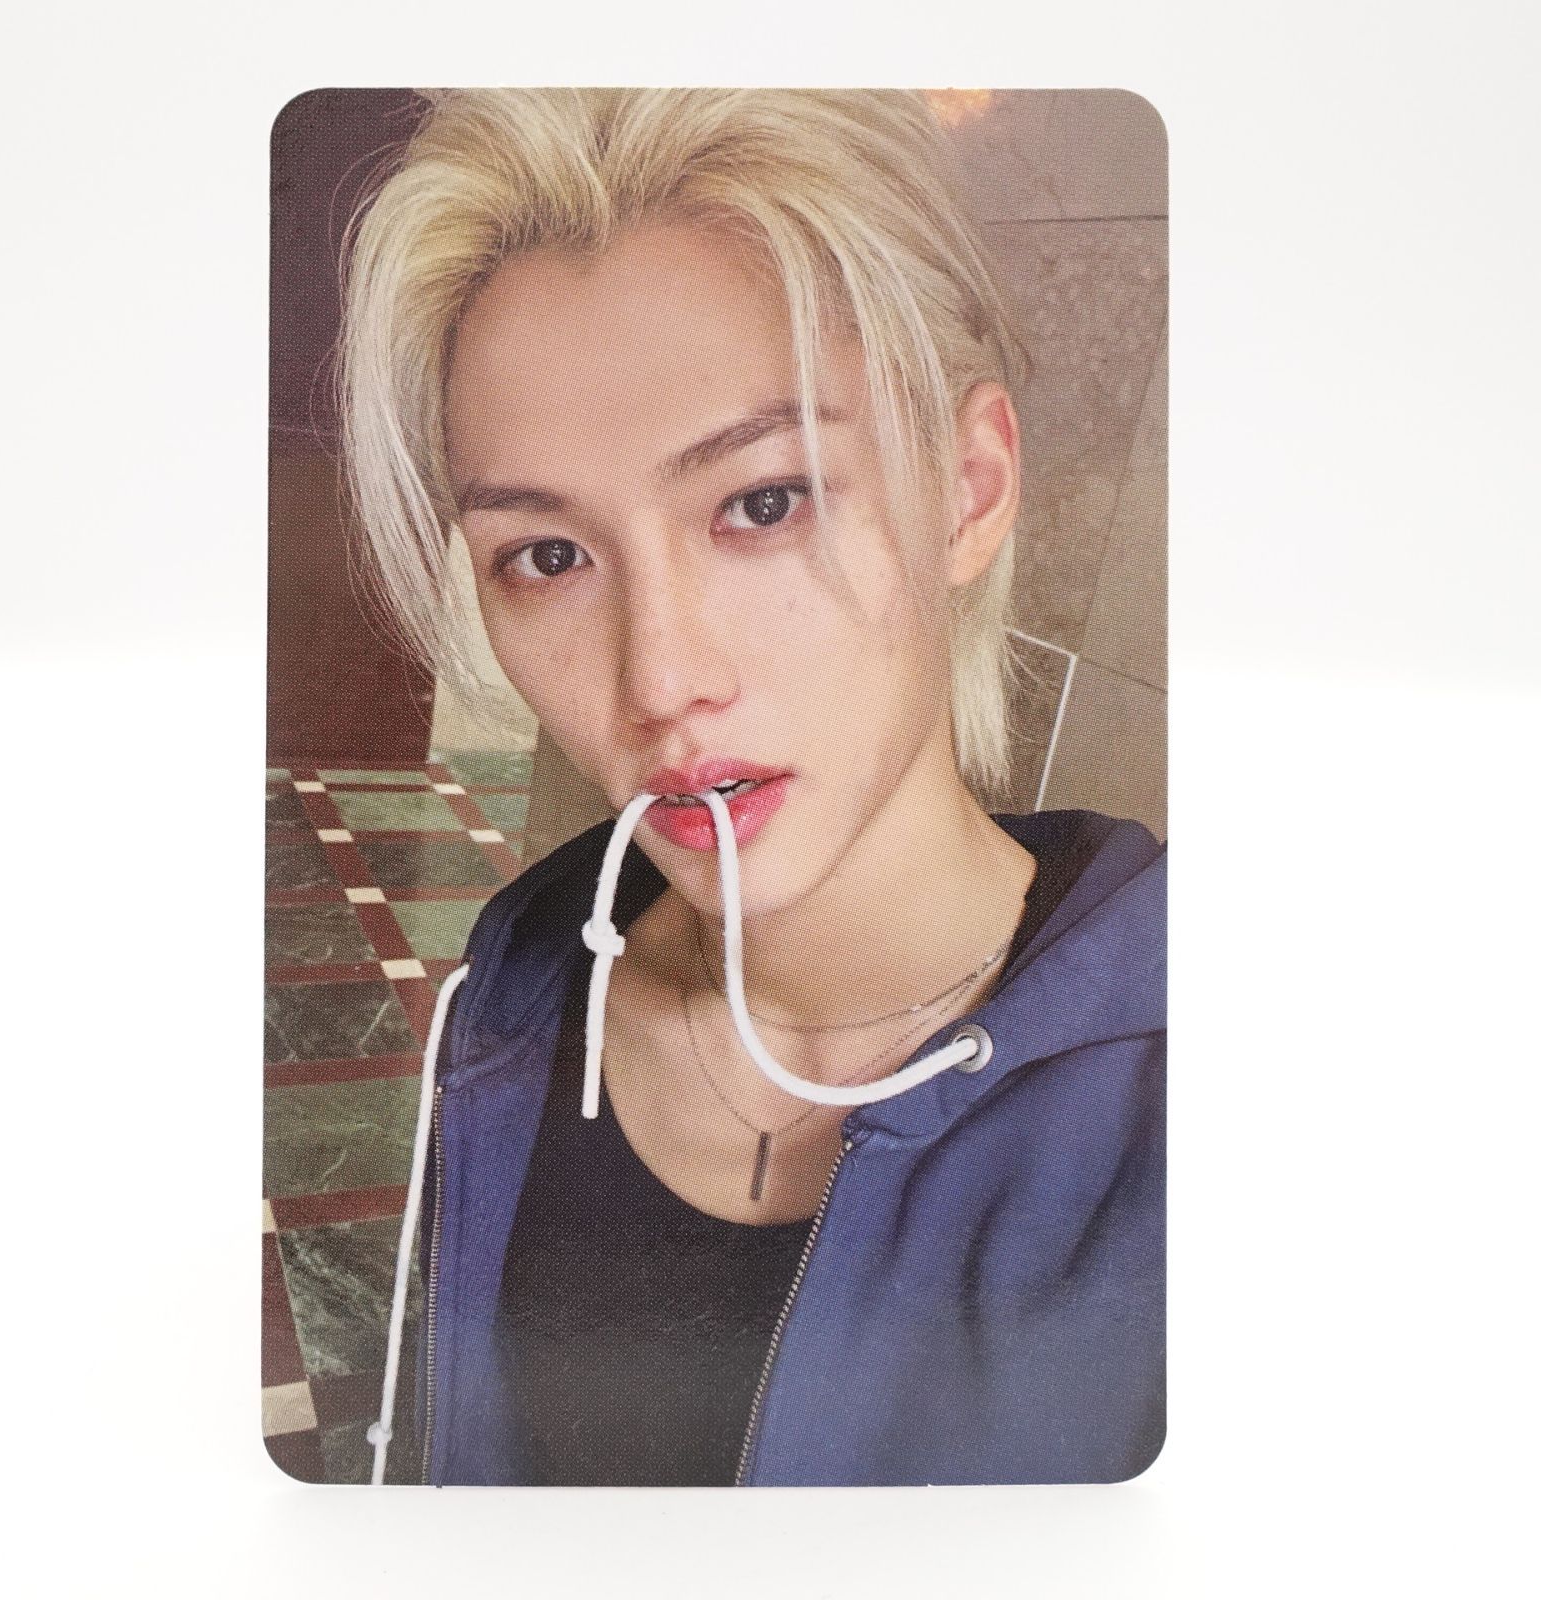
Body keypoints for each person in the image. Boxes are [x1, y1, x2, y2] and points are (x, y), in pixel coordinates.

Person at [338, 87, 1165, 1486]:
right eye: (547, 556)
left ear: (968, 488)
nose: (659, 679)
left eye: (763, 501)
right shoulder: (521, 989)